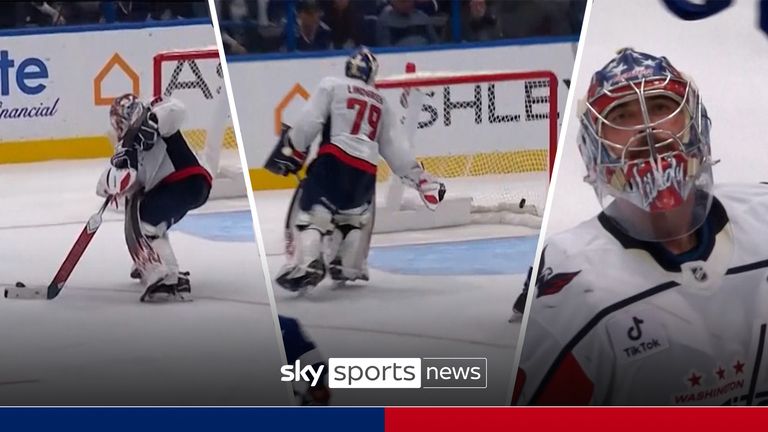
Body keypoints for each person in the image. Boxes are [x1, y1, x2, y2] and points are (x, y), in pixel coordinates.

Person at [514, 48, 768, 405]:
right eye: (622, 116)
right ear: (594, 150)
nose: (647, 131)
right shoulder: (577, 289)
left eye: (662, 107)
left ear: (695, 124)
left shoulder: (763, 218)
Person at [265, 47, 446, 292]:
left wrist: (294, 147)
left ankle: (308, 263)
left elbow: (310, 120)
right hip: (366, 171)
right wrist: (419, 178)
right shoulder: (381, 100)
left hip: (334, 160)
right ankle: (349, 265)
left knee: (314, 215)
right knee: (351, 217)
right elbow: (395, 148)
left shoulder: (331, 85)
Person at [97, 94, 211, 302]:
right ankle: (151, 262)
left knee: (147, 221)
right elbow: (107, 184)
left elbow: (177, 109)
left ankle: (168, 276)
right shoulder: (125, 147)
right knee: (142, 214)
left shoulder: (156, 116)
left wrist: (153, 121)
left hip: (187, 181)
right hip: (172, 187)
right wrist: (113, 181)